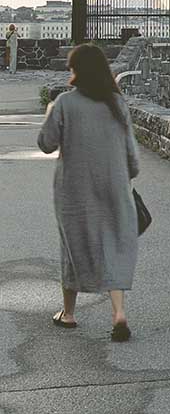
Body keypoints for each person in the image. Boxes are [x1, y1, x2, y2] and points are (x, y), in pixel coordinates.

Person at [37, 43, 140, 341]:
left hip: (74, 191)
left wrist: (49, 111)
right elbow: (132, 156)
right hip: (114, 186)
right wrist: (126, 177)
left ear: (76, 71)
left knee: (73, 248)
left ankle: (68, 314)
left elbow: (46, 143)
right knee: (114, 245)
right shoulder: (117, 104)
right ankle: (118, 312)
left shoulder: (65, 103)